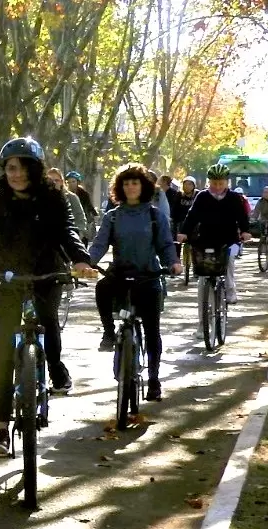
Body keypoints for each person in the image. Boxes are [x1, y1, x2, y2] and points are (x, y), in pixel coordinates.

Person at [0, 136, 92, 456]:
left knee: (48, 323)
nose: (17, 174)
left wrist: (80, 260)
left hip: (46, 275)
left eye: (24, 167)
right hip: (6, 279)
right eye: (11, 168)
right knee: (4, 356)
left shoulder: (54, 198)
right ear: (4, 170)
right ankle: (1, 431)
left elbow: (66, 231)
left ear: (36, 169)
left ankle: (54, 369)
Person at [90, 163, 181, 401]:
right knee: (102, 288)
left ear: (144, 186)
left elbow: (165, 245)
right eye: (126, 183)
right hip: (120, 275)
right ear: (120, 188)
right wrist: (86, 262)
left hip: (148, 276)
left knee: (152, 330)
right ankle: (109, 333)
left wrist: (173, 263)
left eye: (135, 183)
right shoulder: (112, 216)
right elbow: (99, 244)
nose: (130, 187)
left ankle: (154, 379)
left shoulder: (155, 216)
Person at [176, 163, 252, 304]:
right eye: (214, 183)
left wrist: (245, 231)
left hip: (231, 240)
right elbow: (192, 216)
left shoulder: (234, 197)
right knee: (203, 266)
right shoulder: (202, 196)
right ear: (209, 182)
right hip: (206, 239)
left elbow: (242, 217)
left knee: (230, 259)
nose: (217, 187)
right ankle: (203, 304)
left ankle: (230, 289)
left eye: (221, 183)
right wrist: (184, 232)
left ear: (227, 182)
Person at [48, 167, 89, 244]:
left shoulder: (71, 197)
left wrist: (78, 235)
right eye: (50, 180)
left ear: (61, 182)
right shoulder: (40, 198)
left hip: (69, 240)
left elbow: (80, 218)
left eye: (56, 180)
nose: (54, 183)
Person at [65, 171, 98, 240]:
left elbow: (89, 205)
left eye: (73, 181)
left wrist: (95, 214)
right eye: (68, 182)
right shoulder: (65, 194)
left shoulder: (83, 194)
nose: (71, 184)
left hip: (83, 221)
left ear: (78, 182)